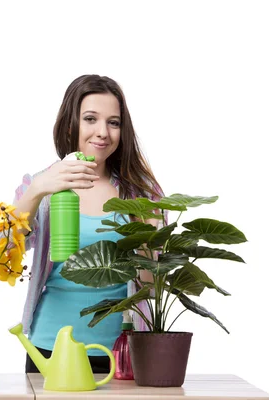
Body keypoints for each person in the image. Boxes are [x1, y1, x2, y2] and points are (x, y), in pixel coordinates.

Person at [11, 74, 167, 373]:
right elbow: (6, 250)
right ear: (71, 123)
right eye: (91, 119)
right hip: (51, 348)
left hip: (122, 351)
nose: (102, 132)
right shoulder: (41, 187)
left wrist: (149, 239)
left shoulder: (142, 194)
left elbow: (149, 286)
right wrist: (37, 190)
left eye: (114, 122)